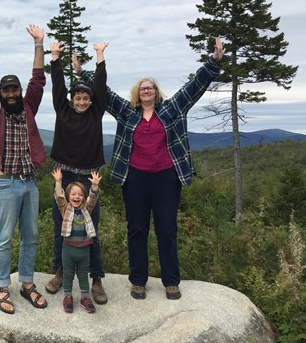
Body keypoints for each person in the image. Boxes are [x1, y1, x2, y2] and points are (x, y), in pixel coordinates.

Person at [74, 37, 225, 300]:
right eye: (142, 88)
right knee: (137, 229)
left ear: (156, 92)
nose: (146, 91)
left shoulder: (172, 110)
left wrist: (214, 62)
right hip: (135, 178)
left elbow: (194, 87)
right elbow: (104, 93)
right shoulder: (127, 112)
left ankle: (171, 281)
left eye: (150, 88)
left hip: (167, 177)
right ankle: (138, 281)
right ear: (137, 92)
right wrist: (81, 72)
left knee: (166, 228)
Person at [0, 19, 48, 314]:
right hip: (3, 183)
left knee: (31, 237)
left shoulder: (28, 106)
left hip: (29, 182)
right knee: (3, 239)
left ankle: (26, 283)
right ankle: (2, 286)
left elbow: (38, 79)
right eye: (8, 90)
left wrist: (39, 44)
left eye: (15, 89)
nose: (13, 93)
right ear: (2, 93)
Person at [45, 41, 110, 306]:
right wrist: (55, 57)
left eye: (85, 97)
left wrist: (100, 58)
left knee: (89, 229)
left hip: (88, 178)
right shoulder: (63, 111)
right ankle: (60, 272)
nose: (81, 101)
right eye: (78, 98)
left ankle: (96, 279)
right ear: (72, 100)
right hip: (64, 176)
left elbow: (102, 87)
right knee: (61, 228)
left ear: (90, 100)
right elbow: (57, 86)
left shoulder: (96, 113)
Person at [52, 167, 102, 313]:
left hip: (84, 250)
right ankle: (68, 296)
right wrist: (58, 181)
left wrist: (95, 185)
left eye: (80, 194)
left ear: (83, 197)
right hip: (68, 250)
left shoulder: (87, 210)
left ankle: (85, 297)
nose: (76, 197)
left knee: (82, 275)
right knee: (67, 274)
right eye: (73, 194)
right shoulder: (65, 209)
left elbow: (92, 198)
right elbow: (59, 196)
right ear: (69, 196)